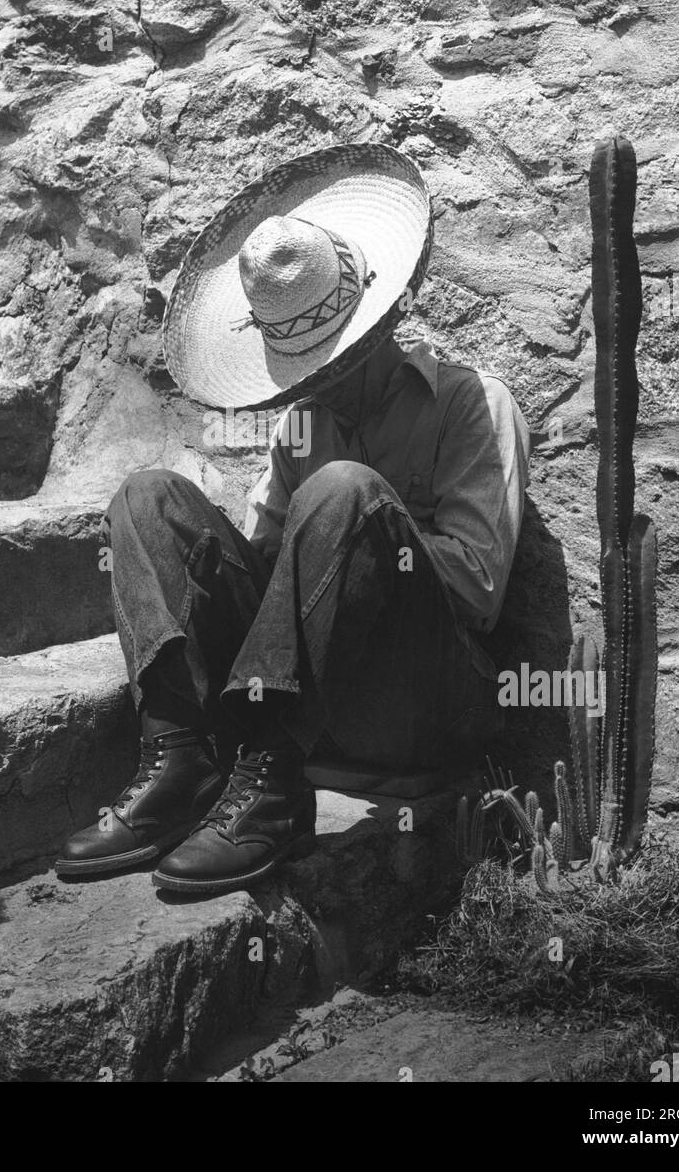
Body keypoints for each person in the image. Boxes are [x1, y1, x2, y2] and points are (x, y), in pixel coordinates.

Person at [56, 143, 529, 895]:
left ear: (379, 328)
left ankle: (273, 788)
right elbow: (270, 590)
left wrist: (363, 530)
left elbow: (476, 590)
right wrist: (290, 557)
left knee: (343, 490)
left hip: (420, 701)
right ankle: (180, 756)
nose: (318, 388)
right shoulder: (301, 427)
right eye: (307, 372)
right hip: (311, 691)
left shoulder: (470, 404)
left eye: (335, 364)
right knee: (148, 495)